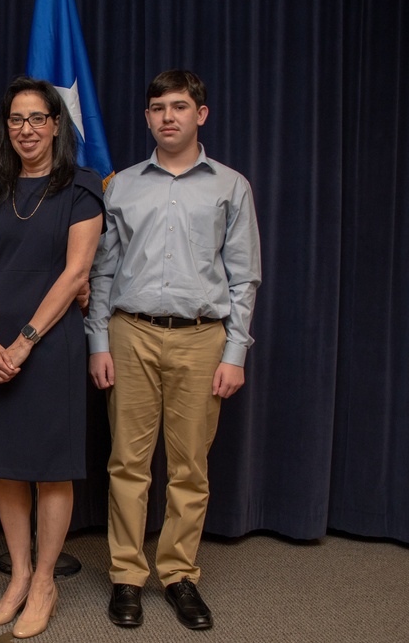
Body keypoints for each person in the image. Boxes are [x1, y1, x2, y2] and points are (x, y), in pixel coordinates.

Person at [86, 69, 261, 631]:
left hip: (201, 339)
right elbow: (103, 270)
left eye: (180, 106)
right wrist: (97, 342)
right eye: (158, 107)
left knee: (189, 467)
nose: (168, 116)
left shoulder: (230, 186)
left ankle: (180, 573)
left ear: (200, 115)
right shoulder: (122, 185)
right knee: (127, 464)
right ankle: (127, 577)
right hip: (129, 335)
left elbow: (244, 278)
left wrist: (235, 353)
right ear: (147, 117)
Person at [0, 77, 103, 639]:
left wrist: (22, 340)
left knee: (49, 468)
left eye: (37, 119)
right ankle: (18, 575)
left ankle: (45, 579)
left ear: (55, 125)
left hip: (48, 349)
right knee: (6, 464)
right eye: (16, 120)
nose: (26, 130)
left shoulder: (82, 188)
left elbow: (76, 275)